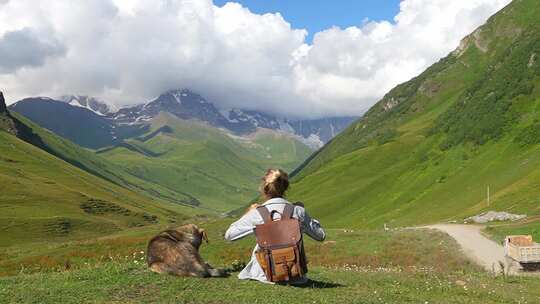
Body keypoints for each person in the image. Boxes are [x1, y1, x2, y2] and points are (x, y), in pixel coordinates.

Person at [224, 168, 326, 284]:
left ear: (264, 189)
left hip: (263, 276)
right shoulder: (298, 211)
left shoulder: (257, 213)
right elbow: (321, 235)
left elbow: (229, 235)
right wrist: (303, 213)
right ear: (285, 188)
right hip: (296, 277)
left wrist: (249, 212)